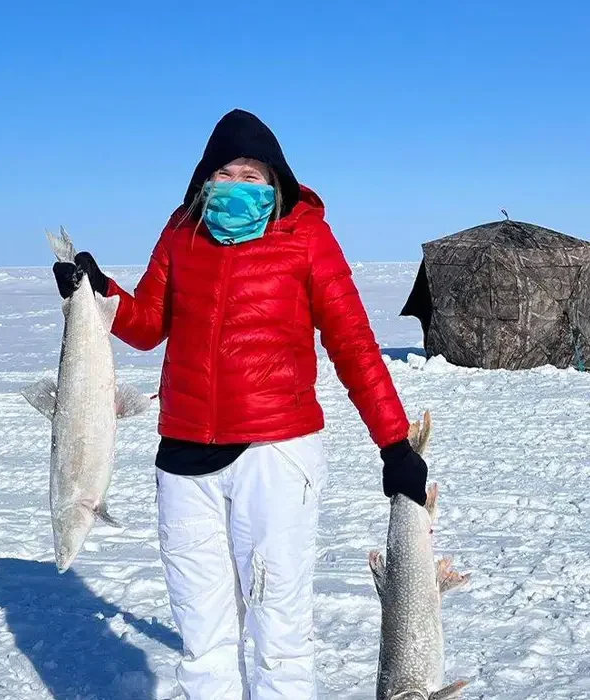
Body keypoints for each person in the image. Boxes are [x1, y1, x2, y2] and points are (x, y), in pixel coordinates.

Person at [53, 109, 427, 700]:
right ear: (204, 180)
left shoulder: (306, 235)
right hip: (182, 461)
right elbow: (150, 325)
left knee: (278, 636)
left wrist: (395, 444)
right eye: (226, 172)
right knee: (202, 639)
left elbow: (354, 345)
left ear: (276, 181)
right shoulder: (182, 230)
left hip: (275, 456)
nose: (239, 185)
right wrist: (100, 297)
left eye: (253, 175)